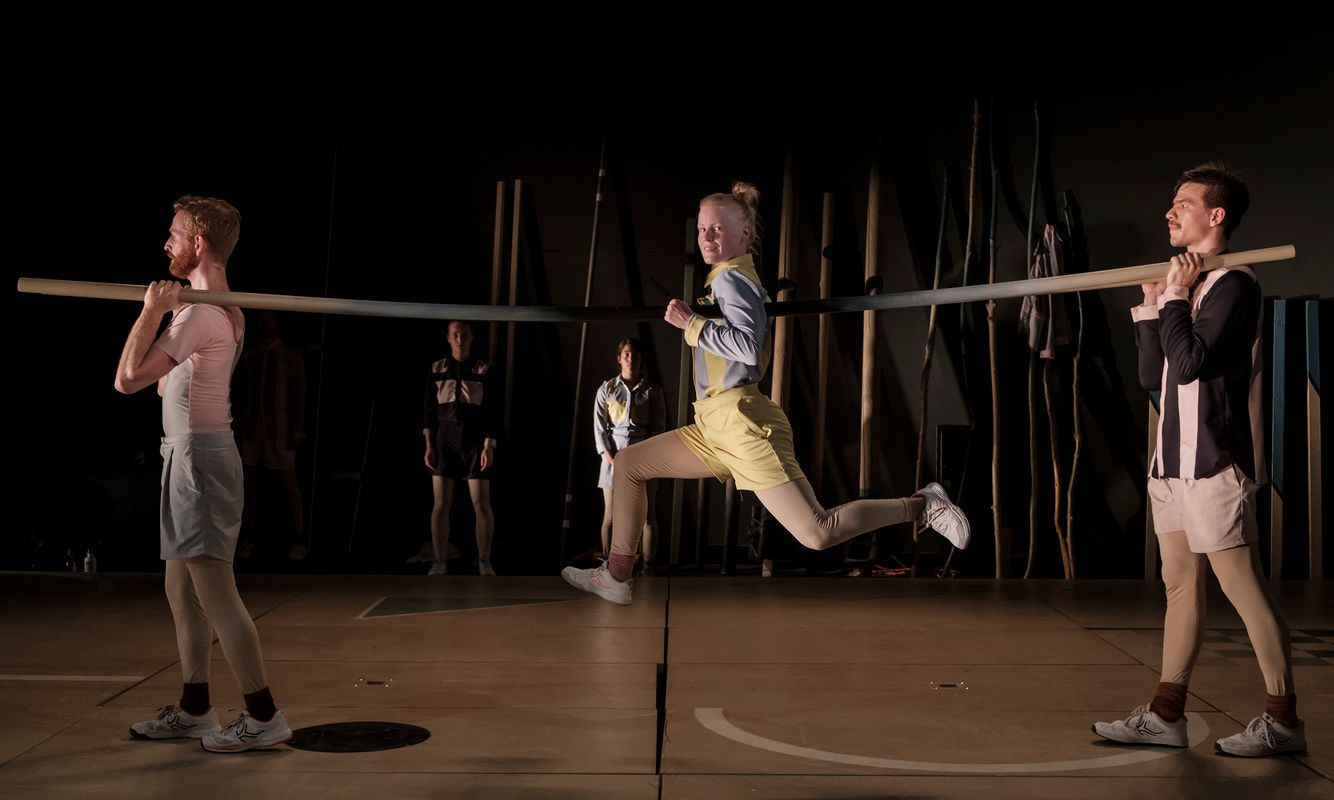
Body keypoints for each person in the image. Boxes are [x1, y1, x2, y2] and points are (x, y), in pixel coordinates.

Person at [562, 182, 968, 605]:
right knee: (629, 464)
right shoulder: (723, 278)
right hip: (713, 425)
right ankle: (616, 575)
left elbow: (749, 348)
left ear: (744, 234)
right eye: (702, 229)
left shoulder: (733, 279)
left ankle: (922, 505)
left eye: (718, 229)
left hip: (741, 426)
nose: (707, 237)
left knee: (818, 532)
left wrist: (692, 324)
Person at [1093, 164, 1305, 757]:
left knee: (1244, 590)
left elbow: (1189, 365)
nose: (1170, 212)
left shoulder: (1235, 283)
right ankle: (1166, 715)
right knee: (1180, 586)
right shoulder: (1188, 287)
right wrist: (1152, 303)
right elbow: (1152, 376)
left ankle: (1285, 722)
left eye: (1183, 203)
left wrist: (1177, 297)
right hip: (1170, 464)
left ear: (1216, 216)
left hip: (1214, 462)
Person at [114, 196, 291, 752]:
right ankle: (195, 710)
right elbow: (166, 387)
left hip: (201, 461)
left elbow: (127, 380)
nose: (165, 242)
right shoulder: (223, 311)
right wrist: (170, 316)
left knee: (216, 594)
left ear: (198, 243)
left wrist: (151, 310)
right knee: (180, 587)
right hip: (185, 455)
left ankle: (263, 717)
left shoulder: (202, 314)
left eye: (173, 233)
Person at [420, 320, 498, 576]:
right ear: (448, 338)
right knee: (441, 503)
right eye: (455, 334)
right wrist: (429, 444)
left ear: (471, 337)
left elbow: (491, 411)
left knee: (481, 504)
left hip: (474, 440)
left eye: (464, 334)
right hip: (445, 439)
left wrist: (488, 445)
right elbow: (428, 409)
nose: (459, 339)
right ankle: (439, 560)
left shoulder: (483, 369)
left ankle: (484, 560)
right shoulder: (437, 368)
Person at [234, 309, 307, 562]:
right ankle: (250, 538)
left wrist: (297, 428)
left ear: (277, 321)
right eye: (263, 318)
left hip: (279, 428)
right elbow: (240, 392)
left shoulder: (289, 354)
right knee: (250, 484)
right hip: (252, 428)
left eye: (271, 318)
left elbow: (299, 393)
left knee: (288, 482)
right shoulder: (250, 353)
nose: (266, 323)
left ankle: (298, 538)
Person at [594, 338, 667, 567]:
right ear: (619, 359)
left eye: (634, 354)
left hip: (643, 457)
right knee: (611, 516)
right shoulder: (607, 389)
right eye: (626, 354)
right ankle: (609, 563)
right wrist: (610, 458)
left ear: (641, 359)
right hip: (613, 458)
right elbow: (599, 429)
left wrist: (646, 459)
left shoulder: (653, 391)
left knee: (647, 515)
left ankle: (648, 564)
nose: (630, 359)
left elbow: (659, 429)